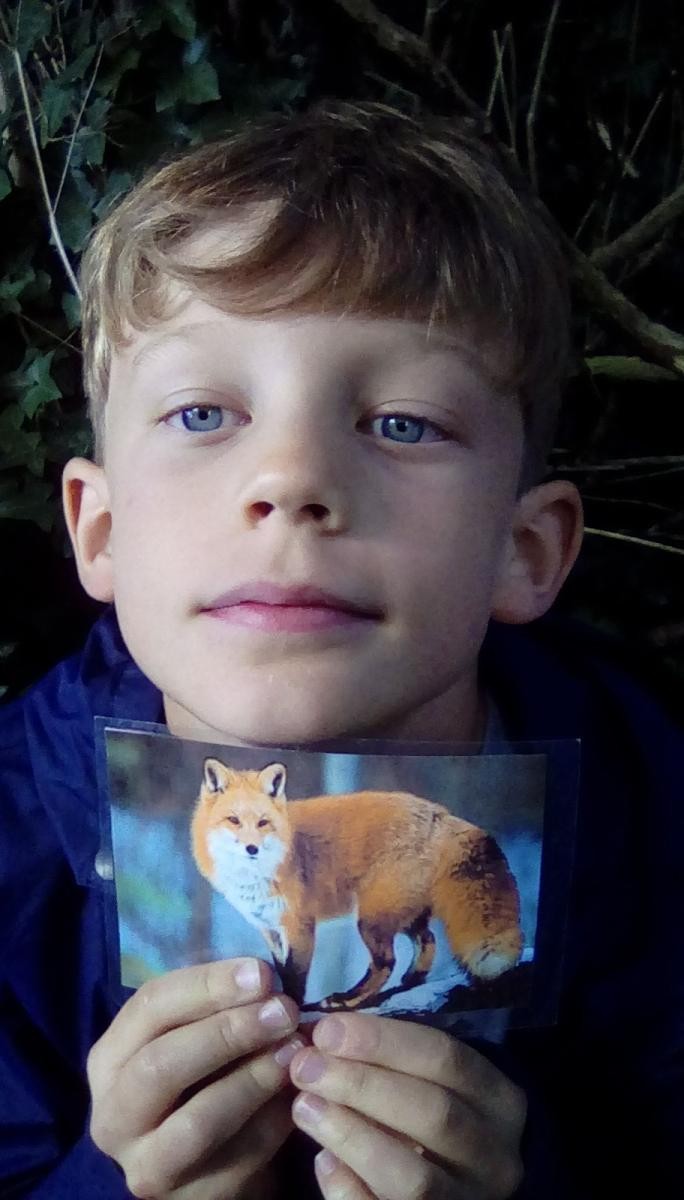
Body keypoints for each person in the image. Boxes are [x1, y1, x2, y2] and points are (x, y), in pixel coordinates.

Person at [0, 100, 681, 1200]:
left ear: (526, 551)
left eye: (402, 423)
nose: (292, 480)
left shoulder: (656, 821)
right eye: (203, 413)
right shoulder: (11, 847)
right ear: (101, 531)